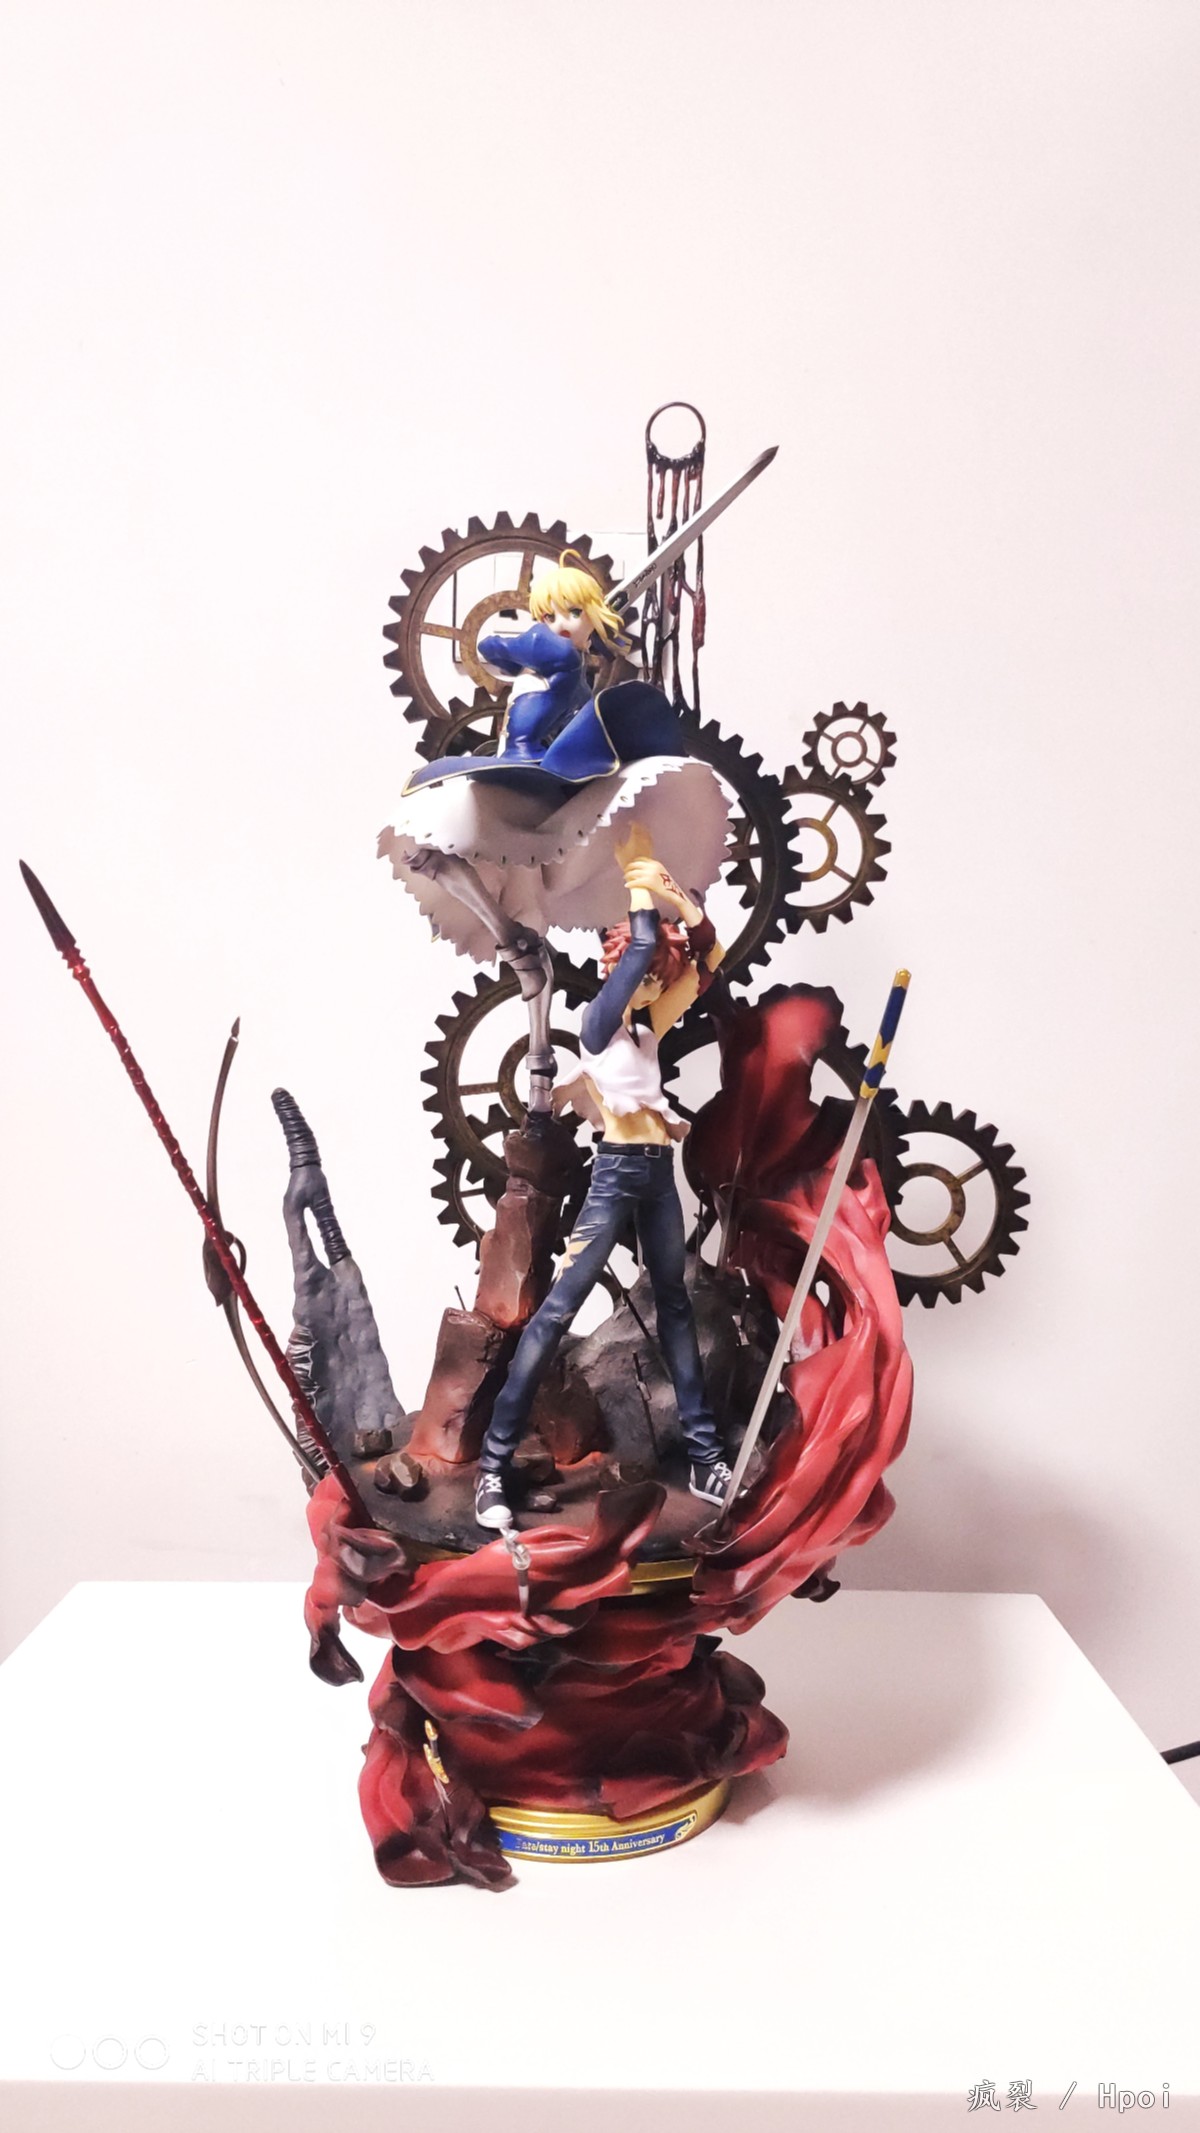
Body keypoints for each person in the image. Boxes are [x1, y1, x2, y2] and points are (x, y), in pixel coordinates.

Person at [379, 554, 729, 1112]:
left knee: (466, 854)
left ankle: (514, 940)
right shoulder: (561, 654)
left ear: (594, 616)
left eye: (573, 613)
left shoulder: (560, 657)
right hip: (526, 769)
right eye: (551, 614)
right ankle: (513, 937)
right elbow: (494, 647)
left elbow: (496, 648)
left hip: (541, 774)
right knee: (441, 837)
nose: (561, 625)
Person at [474, 832, 737, 1528]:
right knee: (558, 1309)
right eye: (639, 973)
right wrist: (637, 872)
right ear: (616, 969)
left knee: (675, 1306)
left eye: (655, 979)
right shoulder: (596, 1027)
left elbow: (709, 964)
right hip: (617, 1172)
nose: (650, 985)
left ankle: (705, 1454)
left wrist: (688, 910)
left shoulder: (647, 1029)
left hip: (657, 1174)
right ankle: (493, 1464)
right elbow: (645, 945)